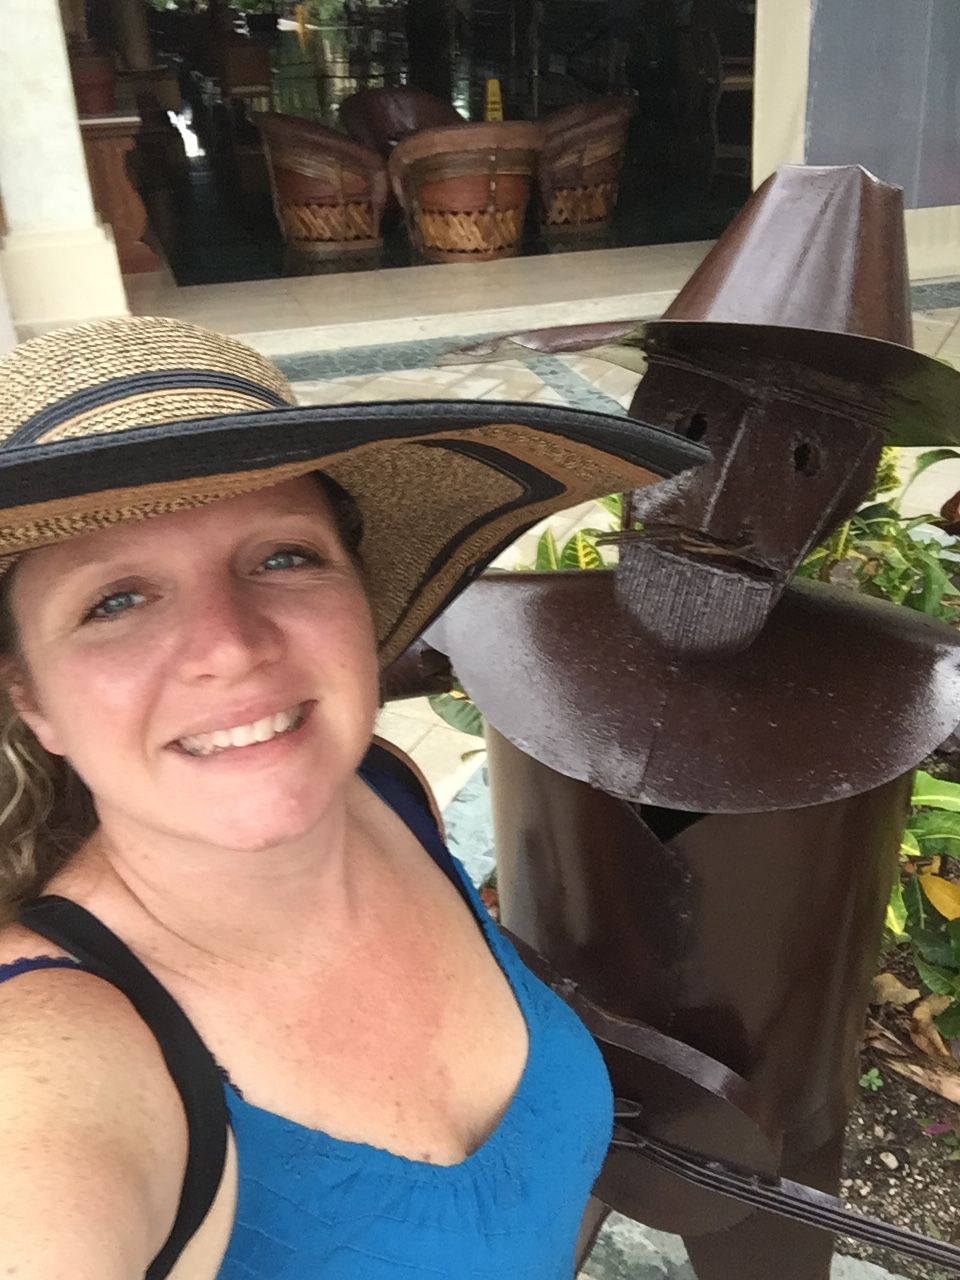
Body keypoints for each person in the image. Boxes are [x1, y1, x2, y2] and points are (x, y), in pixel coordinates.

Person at [0, 315, 693, 1279]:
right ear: (32, 696)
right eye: (115, 600)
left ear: (361, 595)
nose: (231, 647)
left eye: (283, 556)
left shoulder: (383, 791)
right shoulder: (51, 1058)